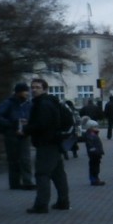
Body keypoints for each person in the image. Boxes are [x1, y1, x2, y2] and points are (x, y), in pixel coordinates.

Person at [22, 78, 70, 214]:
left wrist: (26, 129)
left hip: (46, 143)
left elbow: (42, 125)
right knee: (58, 174)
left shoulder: (42, 104)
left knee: (42, 174)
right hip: (55, 142)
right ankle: (63, 202)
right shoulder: (52, 102)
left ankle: (41, 205)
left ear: (44, 89)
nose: (34, 90)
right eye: (32, 87)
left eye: (37, 87)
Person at [0, 82, 36, 190]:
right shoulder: (8, 103)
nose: (27, 93)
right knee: (13, 159)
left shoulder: (28, 104)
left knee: (25, 159)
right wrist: (12, 124)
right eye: (25, 91)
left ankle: (27, 182)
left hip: (24, 134)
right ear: (19, 92)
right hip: (11, 134)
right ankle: (14, 183)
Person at [81, 118, 106, 186]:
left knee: (96, 167)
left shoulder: (93, 134)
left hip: (96, 154)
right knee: (94, 167)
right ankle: (94, 180)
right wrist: (95, 151)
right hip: (94, 154)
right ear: (90, 128)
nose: (96, 128)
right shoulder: (90, 136)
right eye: (95, 127)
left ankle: (96, 179)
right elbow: (91, 146)